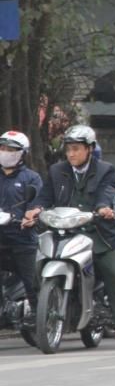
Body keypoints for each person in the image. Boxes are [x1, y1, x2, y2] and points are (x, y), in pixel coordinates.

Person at [24, 125, 115, 349]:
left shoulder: (105, 170)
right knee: (36, 266)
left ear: (89, 149)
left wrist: (103, 209)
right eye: (68, 149)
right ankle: (39, 313)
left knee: (114, 275)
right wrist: (35, 209)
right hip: (63, 233)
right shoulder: (57, 170)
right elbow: (45, 196)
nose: (71, 154)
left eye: (76, 149)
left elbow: (106, 193)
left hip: (98, 234)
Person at [0, 131, 43, 323]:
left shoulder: (31, 178)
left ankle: (38, 315)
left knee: (31, 281)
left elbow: (38, 204)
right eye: (2, 148)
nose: (5, 152)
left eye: (11, 149)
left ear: (22, 153)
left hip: (22, 239)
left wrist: (32, 215)